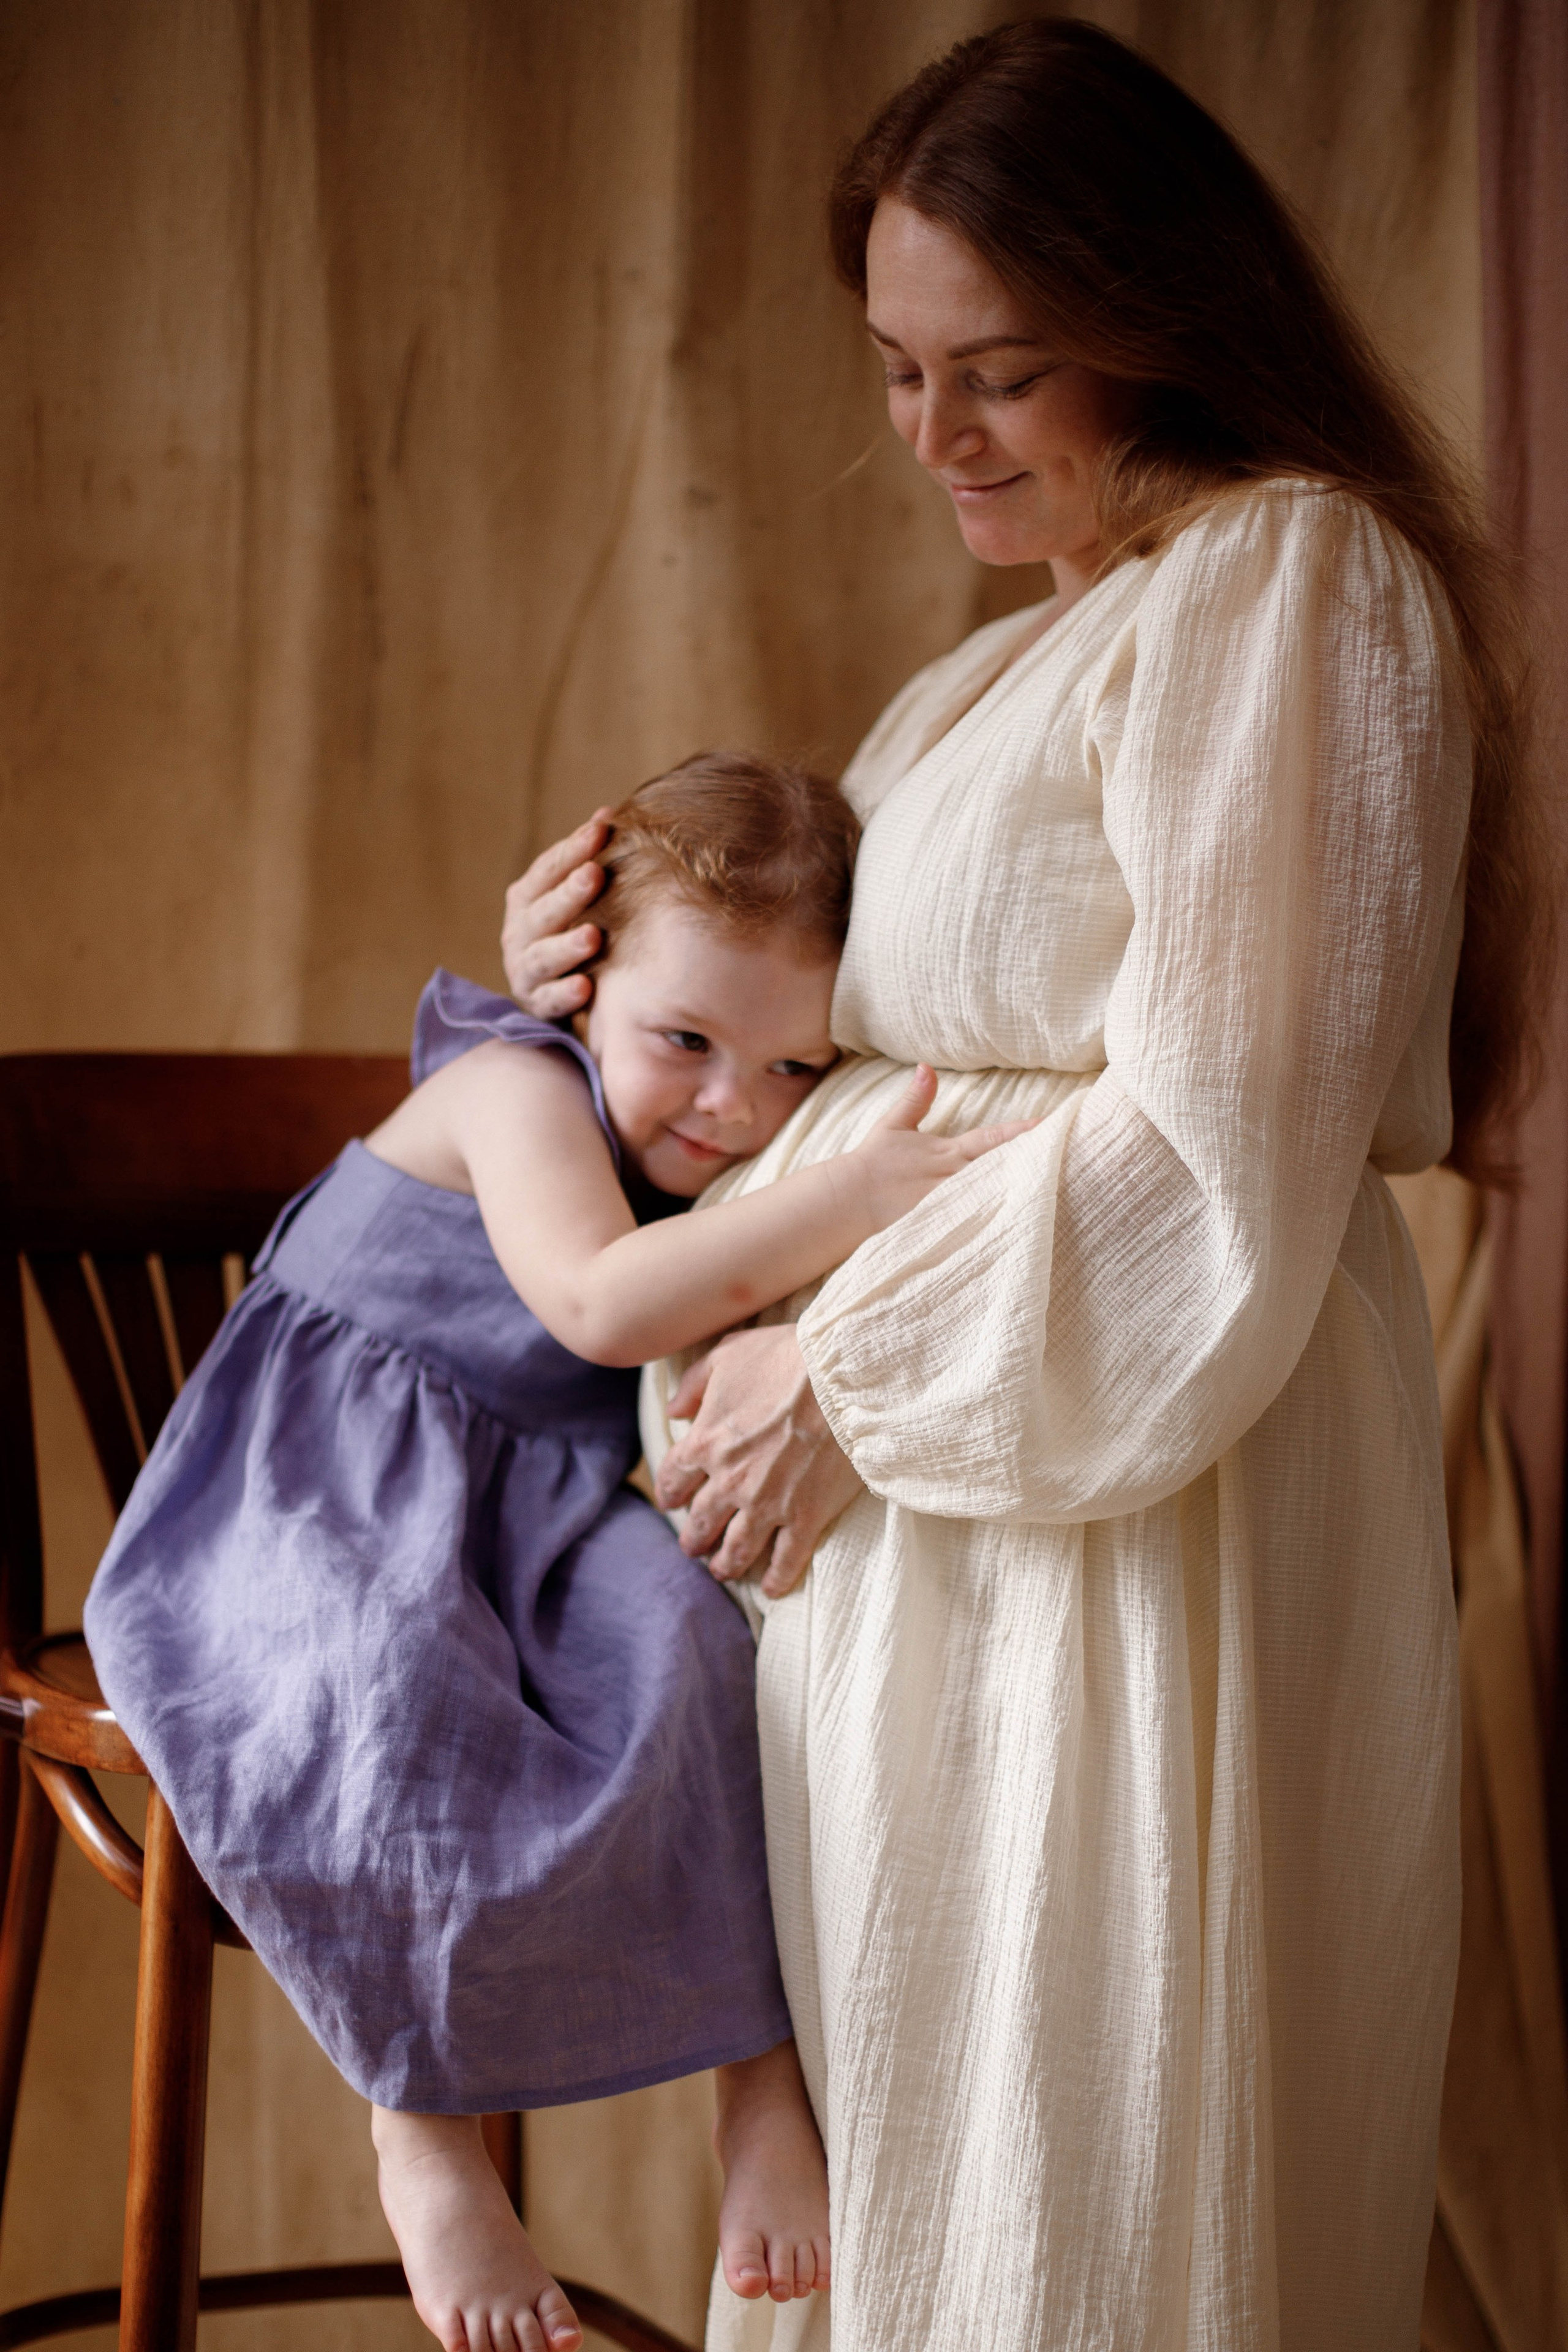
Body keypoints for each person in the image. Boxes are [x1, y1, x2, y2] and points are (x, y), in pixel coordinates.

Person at [502, 22, 1546, 2352]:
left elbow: (1220, 1138)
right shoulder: (1001, 664)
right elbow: (816, 1060)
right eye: (899, 369)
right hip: (949, 1534)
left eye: (1003, 373)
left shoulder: (1290, 578)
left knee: (1087, 2190)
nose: (937, 435)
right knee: (934, 2194)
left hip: (1137, 1518)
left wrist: (840, 1377)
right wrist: (588, 971)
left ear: (1166, 323)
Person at [83, 752, 1027, 2352]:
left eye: (796, 1068)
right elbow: (598, 1305)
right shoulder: (511, 1084)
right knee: (387, 1675)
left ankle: (759, 2083)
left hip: (531, 1505)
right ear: (580, 985)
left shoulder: (708, 1128)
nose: (732, 1106)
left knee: (706, 1652)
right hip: (319, 1493)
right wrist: (856, 1193)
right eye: (684, 1042)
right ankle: (423, 2127)